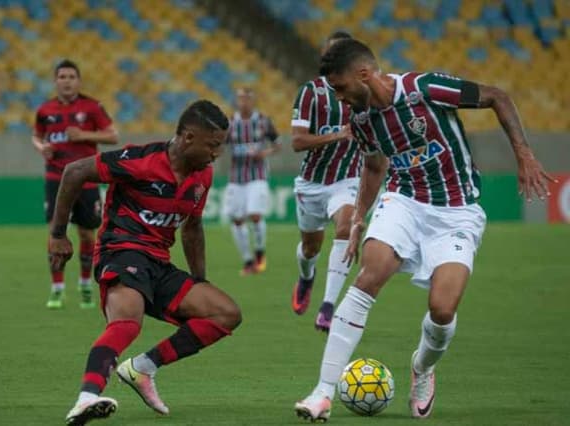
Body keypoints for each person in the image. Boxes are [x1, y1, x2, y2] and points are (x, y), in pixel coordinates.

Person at [294, 39, 555, 421]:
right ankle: (322, 392)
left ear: (363, 75)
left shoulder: (425, 89)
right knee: (370, 273)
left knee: (442, 309)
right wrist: (359, 219)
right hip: (404, 200)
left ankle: (423, 367)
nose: (338, 98)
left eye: (340, 87)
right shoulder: (362, 121)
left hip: (457, 210)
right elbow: (373, 166)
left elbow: (498, 96)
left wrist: (524, 153)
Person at [48, 100, 242, 425]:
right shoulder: (140, 160)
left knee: (226, 313)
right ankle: (86, 398)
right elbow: (75, 171)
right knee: (127, 322)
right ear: (188, 137)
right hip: (121, 251)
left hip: (158, 263)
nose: (216, 154)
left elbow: (192, 228)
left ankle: (143, 368)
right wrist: (58, 234)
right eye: (213, 145)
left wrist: (199, 279)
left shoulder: (202, 177)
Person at [290, 31, 362, 332]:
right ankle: (306, 277)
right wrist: (338, 134)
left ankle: (329, 306)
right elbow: (297, 142)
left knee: (345, 228)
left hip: (348, 179)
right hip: (312, 183)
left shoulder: (363, 92)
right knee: (310, 248)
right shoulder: (311, 92)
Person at [32, 59, 118, 309]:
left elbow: (113, 135)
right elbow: (36, 135)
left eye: (71, 76)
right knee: (55, 232)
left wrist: (84, 135)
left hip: (87, 179)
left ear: (78, 81)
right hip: (55, 178)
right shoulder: (45, 110)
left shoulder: (92, 107)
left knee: (85, 233)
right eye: (62, 77)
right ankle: (57, 288)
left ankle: (85, 284)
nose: (66, 81)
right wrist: (41, 147)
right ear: (55, 81)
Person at [223, 87, 281, 275]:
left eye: (247, 98)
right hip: (236, 177)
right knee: (237, 220)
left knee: (255, 215)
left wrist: (265, 152)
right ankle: (247, 260)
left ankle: (259, 254)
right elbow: (219, 146)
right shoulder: (230, 123)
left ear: (252, 100)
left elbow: (278, 144)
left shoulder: (263, 121)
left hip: (257, 175)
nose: (243, 102)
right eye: (240, 98)